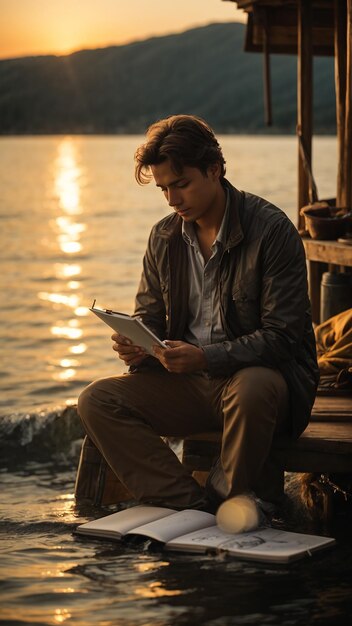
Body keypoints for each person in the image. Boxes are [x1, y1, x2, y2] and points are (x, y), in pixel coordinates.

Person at [78, 114, 319, 529]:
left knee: (254, 386)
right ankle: (196, 507)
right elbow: (149, 316)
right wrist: (138, 346)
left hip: (260, 384)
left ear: (214, 169)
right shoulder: (163, 237)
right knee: (96, 400)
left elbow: (282, 338)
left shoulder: (272, 231)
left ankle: (227, 501)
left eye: (181, 183)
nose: (172, 199)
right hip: (189, 384)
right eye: (163, 189)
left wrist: (204, 358)